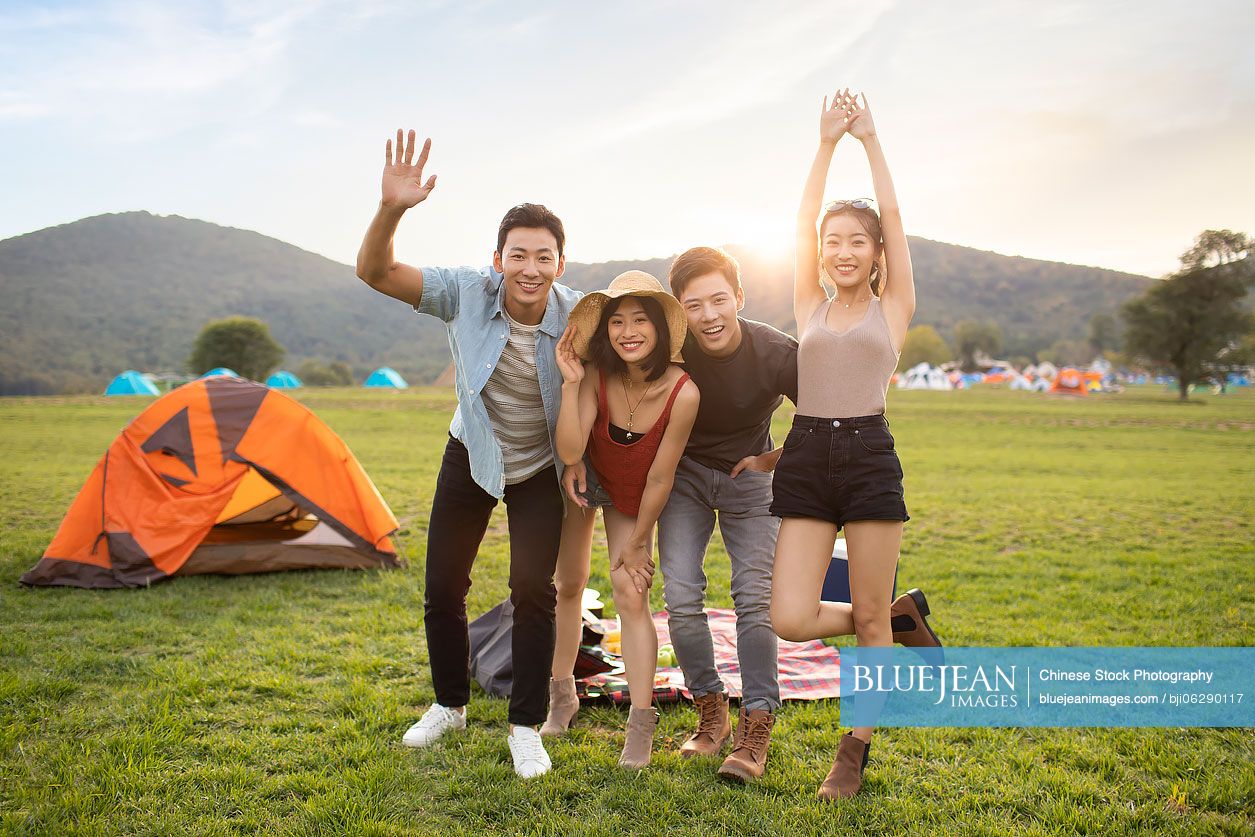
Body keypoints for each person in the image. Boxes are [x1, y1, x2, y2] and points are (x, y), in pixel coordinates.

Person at [355, 129, 589, 778]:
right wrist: (392, 209)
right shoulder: (465, 292)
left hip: (540, 464)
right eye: (518, 255)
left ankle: (524, 726)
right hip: (473, 451)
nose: (530, 269)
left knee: (531, 592)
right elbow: (373, 272)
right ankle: (449, 704)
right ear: (497, 259)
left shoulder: (580, 319)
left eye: (544, 257)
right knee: (441, 586)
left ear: (560, 264)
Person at [768, 91, 941, 801]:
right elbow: (800, 221)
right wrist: (822, 145)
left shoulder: (891, 308)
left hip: (869, 456)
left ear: (873, 255)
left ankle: (852, 750)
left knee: (865, 615)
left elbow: (895, 217)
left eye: (855, 242)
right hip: (806, 456)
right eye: (832, 242)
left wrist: (867, 141)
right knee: (789, 617)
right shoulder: (807, 305)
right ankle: (897, 618)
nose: (841, 250)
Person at [649, 245, 797, 783]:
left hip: (750, 481)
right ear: (679, 310)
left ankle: (755, 728)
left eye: (718, 300)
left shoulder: (776, 351)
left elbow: (826, 413)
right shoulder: (672, 348)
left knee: (754, 598)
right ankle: (710, 712)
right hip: (684, 475)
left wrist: (768, 459)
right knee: (682, 593)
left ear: (739, 296)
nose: (708, 314)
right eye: (694, 305)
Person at [550, 270, 700, 770]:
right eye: (616, 321)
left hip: (635, 491)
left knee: (630, 591)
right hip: (585, 474)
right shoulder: (597, 373)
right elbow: (571, 448)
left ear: (659, 327)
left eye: (639, 319)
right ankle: (561, 697)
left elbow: (659, 479)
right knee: (566, 584)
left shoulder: (683, 392)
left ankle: (641, 723)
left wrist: (637, 543)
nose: (627, 331)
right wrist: (572, 384)